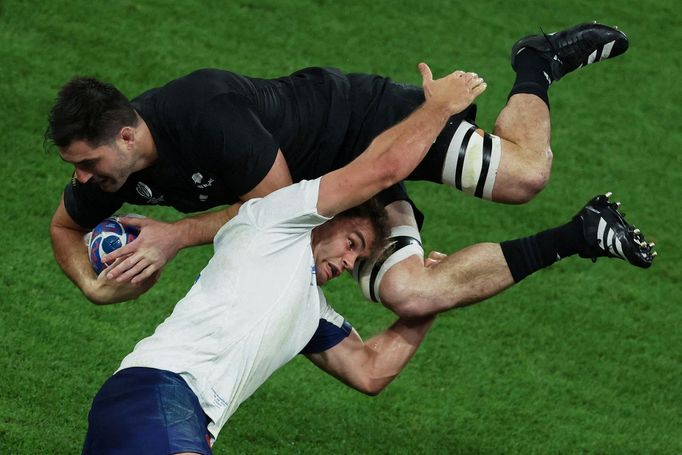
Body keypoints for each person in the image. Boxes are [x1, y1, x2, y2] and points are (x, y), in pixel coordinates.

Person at [81, 64, 654, 454]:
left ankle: (580, 230)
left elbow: (370, 370)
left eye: (358, 257)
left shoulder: (310, 310)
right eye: (352, 243)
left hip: (174, 416)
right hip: (158, 396)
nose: (346, 263)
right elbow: (381, 168)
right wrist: (438, 108)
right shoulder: (273, 219)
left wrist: (429, 297)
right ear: (327, 217)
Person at [47, 23, 632, 314]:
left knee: (525, 176)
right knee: (408, 292)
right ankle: (583, 232)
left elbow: (277, 212)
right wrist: (94, 285)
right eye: (77, 168)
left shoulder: (203, 111)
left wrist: (175, 236)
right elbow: (63, 228)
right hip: (328, 191)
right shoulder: (112, 169)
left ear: (126, 135)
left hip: (367, 125)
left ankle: (537, 61)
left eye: (89, 164)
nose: (84, 180)